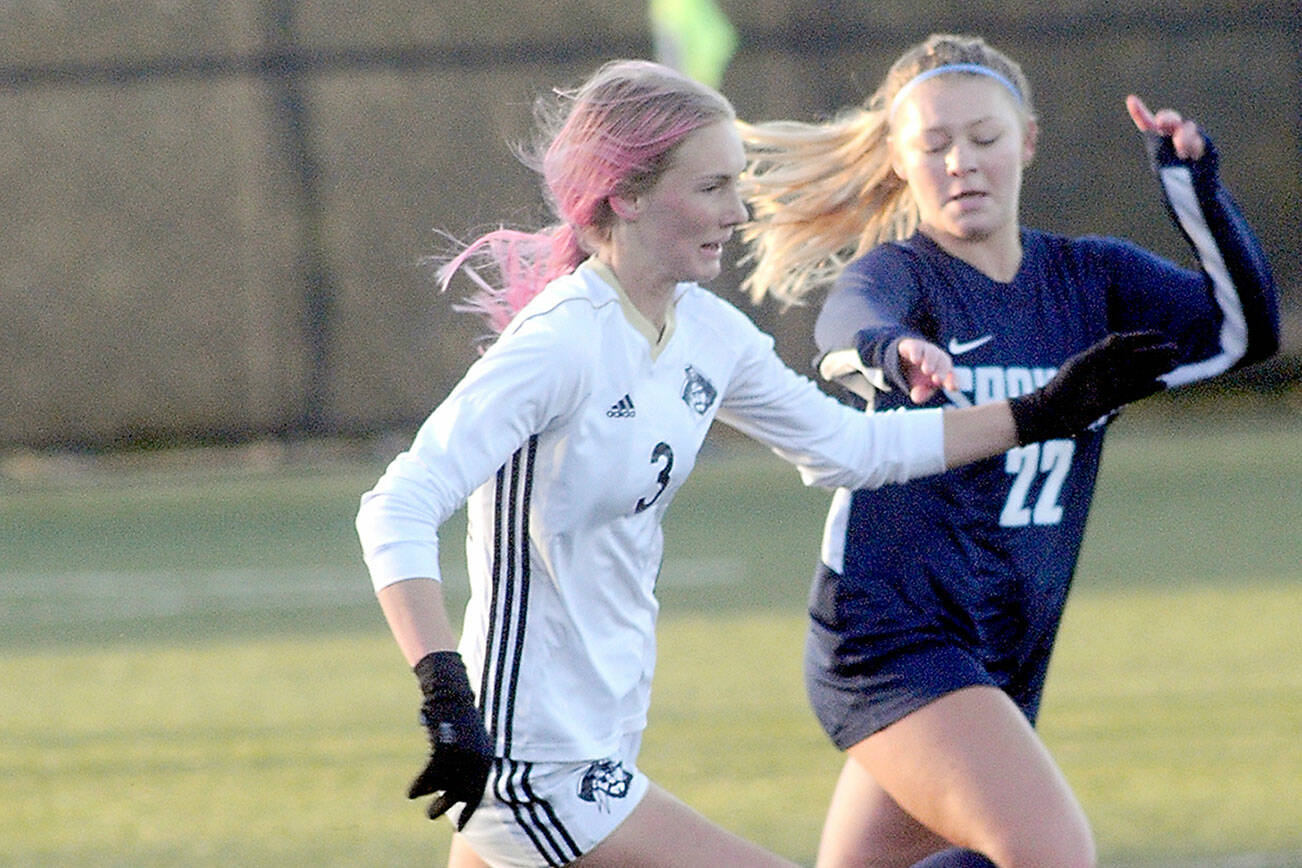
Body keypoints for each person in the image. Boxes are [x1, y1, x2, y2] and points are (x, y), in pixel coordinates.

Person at [355, 58, 1178, 868]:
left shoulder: (708, 337)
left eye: (738, 183)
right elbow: (396, 507)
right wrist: (445, 699)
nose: (740, 210)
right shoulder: (560, 343)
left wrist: (1040, 414)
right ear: (629, 195)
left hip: (593, 749)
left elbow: (853, 448)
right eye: (712, 186)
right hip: (532, 766)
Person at [738, 33, 1279, 868]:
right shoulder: (903, 277)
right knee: (1051, 850)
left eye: (985, 138)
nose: (963, 162)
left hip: (1003, 647)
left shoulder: (1090, 282)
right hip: (892, 639)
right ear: (899, 160)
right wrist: (894, 352)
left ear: (1026, 140)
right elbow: (843, 331)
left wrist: (1192, 187)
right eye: (935, 144)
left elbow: (1241, 334)